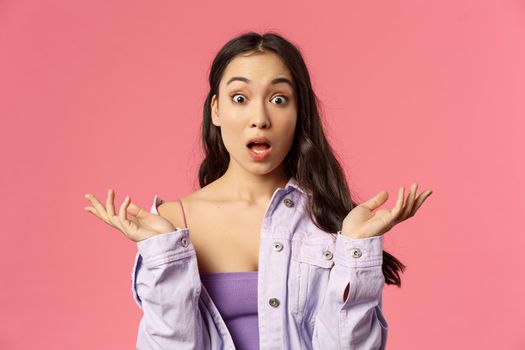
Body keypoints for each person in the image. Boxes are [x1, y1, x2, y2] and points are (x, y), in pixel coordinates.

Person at [84, 31, 432, 349]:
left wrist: (355, 249)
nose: (260, 117)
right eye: (240, 98)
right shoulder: (175, 223)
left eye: (279, 99)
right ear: (216, 111)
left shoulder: (330, 220)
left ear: (299, 114)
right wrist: (163, 254)